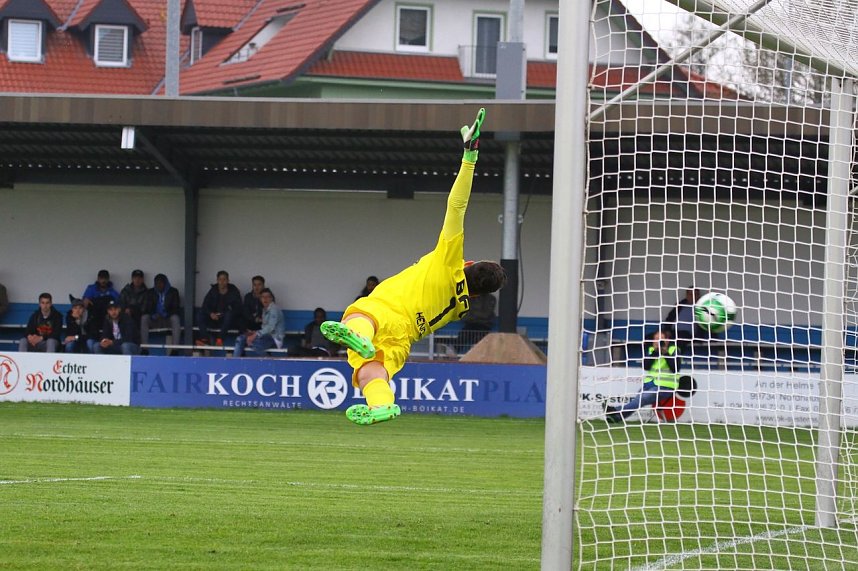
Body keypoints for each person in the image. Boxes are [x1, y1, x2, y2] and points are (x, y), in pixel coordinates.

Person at [320, 108, 506, 425]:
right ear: (477, 297)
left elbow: (457, 204)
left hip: (387, 312)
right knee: (371, 373)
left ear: (468, 263)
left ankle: (357, 334)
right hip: (404, 338)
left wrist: (469, 158)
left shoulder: (449, 261)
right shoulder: (461, 308)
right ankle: (381, 405)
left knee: (359, 313)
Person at [604, 330, 681, 422]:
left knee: (642, 398)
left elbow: (675, 368)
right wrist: (655, 353)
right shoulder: (651, 350)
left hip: (666, 386)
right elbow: (646, 366)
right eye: (656, 339)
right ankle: (617, 418)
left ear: (667, 340)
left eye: (660, 339)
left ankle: (615, 410)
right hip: (649, 383)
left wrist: (665, 353)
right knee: (638, 400)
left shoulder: (674, 350)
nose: (657, 341)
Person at [197, 270, 242, 347]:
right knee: (200, 313)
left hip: (228, 320)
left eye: (224, 279)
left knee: (229, 315)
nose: (222, 282)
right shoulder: (213, 290)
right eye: (220, 279)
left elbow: (238, 308)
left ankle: (220, 339)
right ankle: (204, 339)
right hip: (213, 318)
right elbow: (205, 305)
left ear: (228, 280)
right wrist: (211, 313)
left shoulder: (234, 291)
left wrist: (223, 314)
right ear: (217, 280)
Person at [233, 288, 284, 357]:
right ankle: (235, 364)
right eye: (263, 297)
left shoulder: (274, 309)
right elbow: (264, 327)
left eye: (267, 297)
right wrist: (254, 332)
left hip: (274, 338)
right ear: (260, 299)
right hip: (264, 336)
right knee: (240, 339)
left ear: (271, 298)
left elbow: (270, 327)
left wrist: (255, 335)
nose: (265, 299)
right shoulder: (264, 309)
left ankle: (269, 360)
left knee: (252, 342)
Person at [141, 273, 182, 354]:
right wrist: (153, 314)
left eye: (161, 283)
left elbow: (176, 308)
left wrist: (167, 314)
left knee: (175, 318)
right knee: (144, 318)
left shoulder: (173, 291)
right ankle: (144, 349)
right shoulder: (150, 292)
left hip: (167, 319)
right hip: (155, 320)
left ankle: (175, 349)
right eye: (156, 283)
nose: (158, 285)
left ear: (166, 283)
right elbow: (145, 308)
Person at [82, 269, 120, 343]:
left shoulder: (113, 292)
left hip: (107, 318)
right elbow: (85, 304)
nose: (103, 280)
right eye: (101, 278)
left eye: (105, 278)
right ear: (98, 279)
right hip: (94, 318)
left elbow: (118, 306)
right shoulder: (91, 289)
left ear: (108, 279)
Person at [664, 285, 706, 350]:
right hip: (672, 332)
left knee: (680, 338)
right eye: (690, 294)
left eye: (695, 294)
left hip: (688, 335)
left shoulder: (702, 309)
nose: (693, 297)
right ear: (686, 295)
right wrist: (667, 330)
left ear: (698, 296)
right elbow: (669, 319)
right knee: (650, 337)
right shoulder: (680, 306)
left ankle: (674, 356)